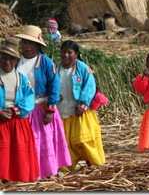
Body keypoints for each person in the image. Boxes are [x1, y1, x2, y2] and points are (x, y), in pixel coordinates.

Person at [15, 25, 71, 179]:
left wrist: (50, 109)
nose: (27, 47)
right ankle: (25, 171)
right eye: (25, 43)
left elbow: (54, 84)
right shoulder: (16, 61)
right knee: (24, 142)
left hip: (40, 109)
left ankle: (44, 171)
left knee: (43, 142)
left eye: (31, 43)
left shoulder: (45, 62)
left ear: (37, 45)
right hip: (21, 110)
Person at [57, 40, 105, 170]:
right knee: (66, 143)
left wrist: (82, 105)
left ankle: (93, 165)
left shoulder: (82, 68)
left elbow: (90, 87)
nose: (66, 55)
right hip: (63, 112)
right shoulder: (55, 68)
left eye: (70, 52)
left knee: (83, 140)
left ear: (76, 54)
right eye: (63, 52)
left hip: (80, 112)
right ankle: (66, 169)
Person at [0, 37, 40, 182]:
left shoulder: (21, 79)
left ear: (16, 61)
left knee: (17, 154)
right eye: (4, 58)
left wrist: (14, 111)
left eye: (11, 59)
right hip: (0, 121)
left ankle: (14, 178)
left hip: (17, 122)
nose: (7, 62)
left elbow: (29, 98)